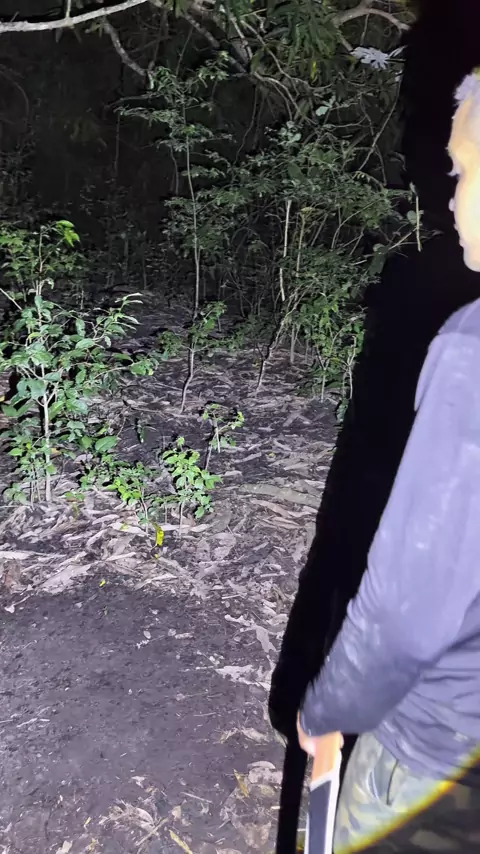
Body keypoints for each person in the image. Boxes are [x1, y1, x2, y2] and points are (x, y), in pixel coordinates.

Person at [296, 68, 480, 853]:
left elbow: (408, 608)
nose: (451, 199)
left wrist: (328, 708)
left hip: (441, 758)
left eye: (464, 173)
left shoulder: (473, 353)